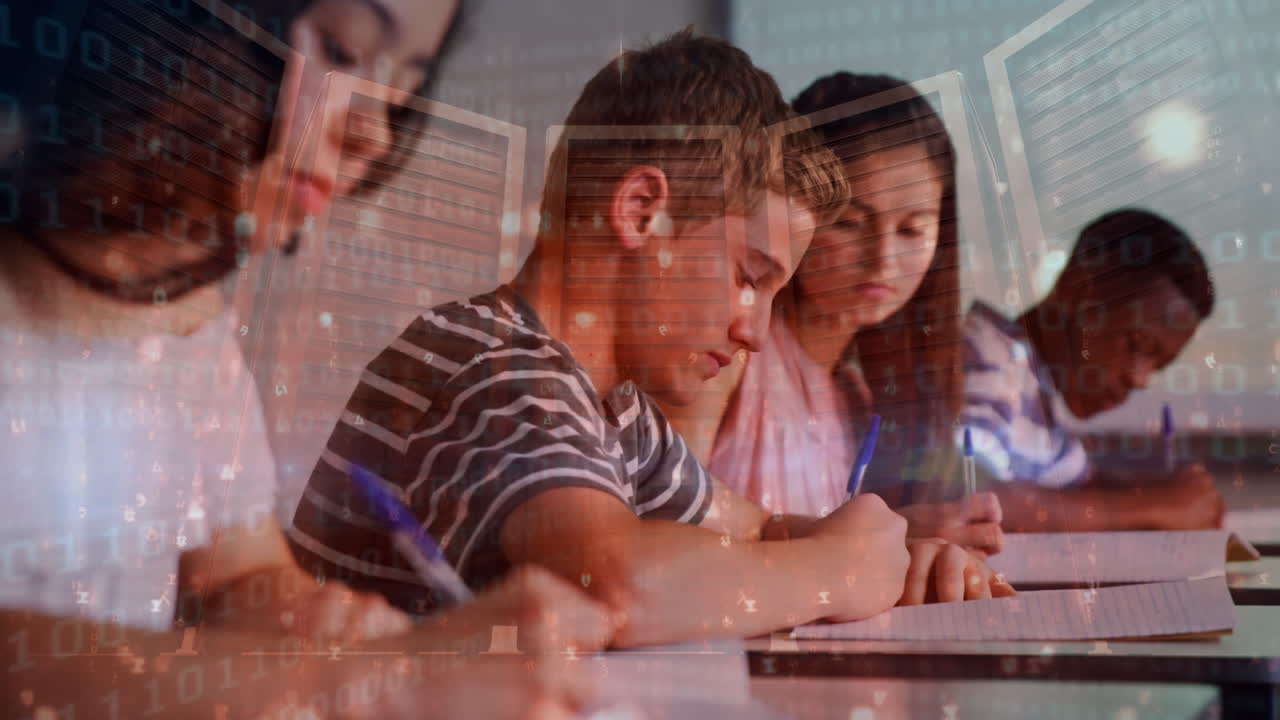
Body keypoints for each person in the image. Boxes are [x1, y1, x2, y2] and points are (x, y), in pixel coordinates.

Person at [292, 34, 1013, 651]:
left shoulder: (617, 408)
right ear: (641, 212)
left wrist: (902, 559)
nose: (755, 332)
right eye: (747, 277)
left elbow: (756, 532)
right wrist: (837, 572)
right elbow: (613, 578)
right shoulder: (495, 367)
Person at [0, 1, 613, 716]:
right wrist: (375, 683)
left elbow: (234, 574)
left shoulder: (191, 333)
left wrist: (322, 623)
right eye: (342, 52)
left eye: (404, 88)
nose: (373, 132)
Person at [663, 73, 1004, 554]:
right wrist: (880, 543)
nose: (882, 259)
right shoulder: (726, 353)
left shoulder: (857, 395)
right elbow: (658, 526)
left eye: (911, 230)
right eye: (849, 223)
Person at [961, 208, 1224, 531]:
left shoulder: (1038, 401)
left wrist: (1180, 498)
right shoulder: (984, 357)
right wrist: (1157, 505)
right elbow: (968, 497)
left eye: (1160, 366)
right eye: (1137, 344)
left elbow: (1081, 488)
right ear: (1078, 290)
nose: (1140, 380)